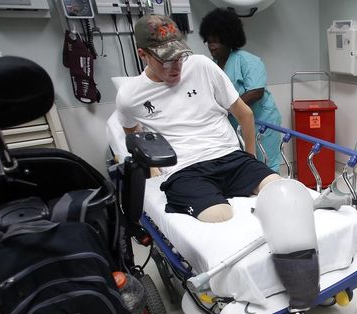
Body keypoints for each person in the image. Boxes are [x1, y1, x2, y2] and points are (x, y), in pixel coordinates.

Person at [116, 14, 280, 223]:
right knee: (220, 216)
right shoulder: (130, 96)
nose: (175, 67)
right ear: (143, 54)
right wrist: (153, 168)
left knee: (280, 191)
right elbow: (134, 135)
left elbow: (245, 113)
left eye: (179, 57)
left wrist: (250, 159)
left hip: (230, 156)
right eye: (166, 61)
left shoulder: (201, 66)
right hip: (184, 169)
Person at [199, 8, 283, 173]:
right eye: (209, 42)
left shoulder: (247, 60)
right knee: (244, 167)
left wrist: (226, 108)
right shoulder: (211, 66)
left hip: (262, 123)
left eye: (217, 42)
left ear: (229, 40)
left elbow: (256, 92)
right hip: (235, 125)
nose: (212, 47)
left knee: (266, 165)